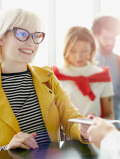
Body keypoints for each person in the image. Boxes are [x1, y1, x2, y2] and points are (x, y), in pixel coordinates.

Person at [0, 8, 90, 151]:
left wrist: (83, 129)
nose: (31, 43)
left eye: (36, 36)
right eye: (22, 34)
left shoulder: (48, 77)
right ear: (1, 38)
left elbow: (71, 120)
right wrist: (5, 148)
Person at [52, 26, 114, 119]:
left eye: (84, 51)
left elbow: (109, 114)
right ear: (66, 49)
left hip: (93, 132)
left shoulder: (102, 75)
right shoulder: (55, 75)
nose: (78, 57)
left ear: (92, 49)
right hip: (64, 132)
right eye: (73, 51)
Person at [91, 15, 120, 122]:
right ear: (96, 35)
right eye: (106, 38)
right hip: (88, 127)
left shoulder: (118, 62)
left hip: (114, 127)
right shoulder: (85, 62)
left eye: (113, 38)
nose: (110, 42)